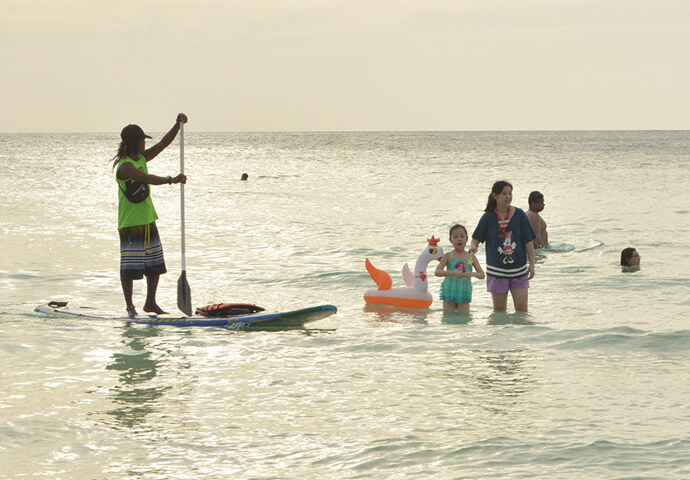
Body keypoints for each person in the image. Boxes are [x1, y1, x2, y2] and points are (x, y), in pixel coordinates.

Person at [111, 113, 188, 316]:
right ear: (132, 143)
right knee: (129, 269)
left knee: (154, 265)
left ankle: (150, 303)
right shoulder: (125, 166)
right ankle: (130, 306)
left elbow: (163, 144)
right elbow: (145, 178)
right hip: (130, 223)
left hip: (148, 220)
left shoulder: (142, 158)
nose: (145, 143)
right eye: (142, 140)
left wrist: (177, 125)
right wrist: (172, 179)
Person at [470, 181, 536, 313]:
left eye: (510, 193)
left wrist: (532, 264)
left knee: (522, 311)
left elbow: (528, 242)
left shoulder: (520, 215)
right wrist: (474, 247)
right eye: (504, 194)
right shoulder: (488, 217)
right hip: (497, 272)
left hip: (519, 271)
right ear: (495, 196)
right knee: (499, 312)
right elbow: (476, 238)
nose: (508, 197)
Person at [435, 224, 485, 313]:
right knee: (448, 317)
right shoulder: (448, 256)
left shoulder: (471, 257)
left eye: (462, 236)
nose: (459, 239)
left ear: (467, 239)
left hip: (464, 291)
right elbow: (437, 272)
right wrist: (453, 273)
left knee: (464, 318)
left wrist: (473, 274)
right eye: (455, 237)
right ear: (450, 240)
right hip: (449, 291)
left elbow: (482, 275)